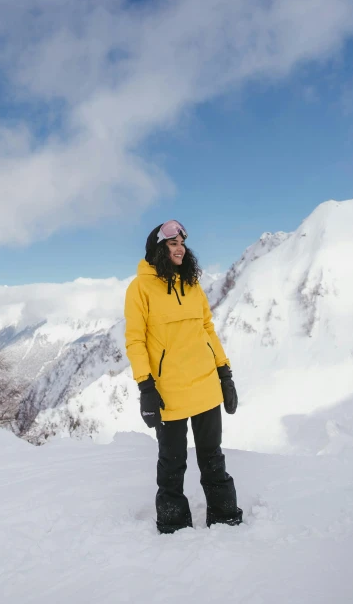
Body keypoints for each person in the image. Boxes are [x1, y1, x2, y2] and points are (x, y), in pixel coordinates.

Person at [124, 220, 242, 534]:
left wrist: (224, 373)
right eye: (173, 244)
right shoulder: (140, 288)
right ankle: (174, 524)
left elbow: (207, 329)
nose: (180, 249)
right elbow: (135, 341)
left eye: (182, 243)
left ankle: (226, 517)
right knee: (172, 464)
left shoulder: (192, 284)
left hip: (204, 384)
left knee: (212, 458)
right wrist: (146, 387)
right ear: (159, 248)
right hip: (168, 390)